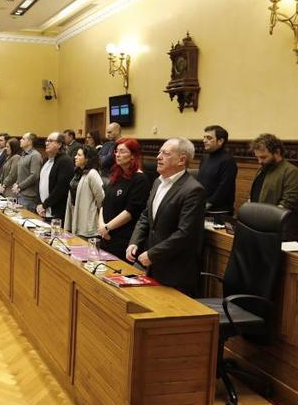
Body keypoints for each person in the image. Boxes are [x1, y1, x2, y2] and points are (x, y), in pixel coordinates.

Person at [126, 138, 205, 297]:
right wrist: (134, 241)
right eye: (159, 152)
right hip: (153, 268)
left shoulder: (193, 190)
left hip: (176, 272)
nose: (158, 157)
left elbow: (185, 234)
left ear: (181, 160)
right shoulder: (157, 182)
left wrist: (152, 254)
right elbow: (145, 216)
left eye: (165, 153)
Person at [96, 138, 149, 258]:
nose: (117, 155)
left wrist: (108, 227)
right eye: (116, 151)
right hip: (105, 236)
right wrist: (102, 227)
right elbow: (104, 203)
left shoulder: (140, 179)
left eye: (122, 151)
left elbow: (131, 211)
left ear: (132, 156)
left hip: (122, 239)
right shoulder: (116, 176)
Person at [249, 133, 298, 239]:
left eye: (263, 157)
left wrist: (263, 220)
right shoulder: (262, 169)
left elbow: (287, 203)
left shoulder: (291, 171)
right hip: (258, 226)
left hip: (277, 231)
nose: (259, 161)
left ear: (277, 152)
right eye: (257, 158)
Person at [64, 144, 104, 238]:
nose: (75, 157)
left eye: (79, 155)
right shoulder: (78, 173)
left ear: (87, 159)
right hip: (75, 215)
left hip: (87, 222)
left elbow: (101, 199)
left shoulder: (92, 174)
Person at [198, 124, 237, 214]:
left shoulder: (228, 160)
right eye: (204, 137)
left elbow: (224, 187)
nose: (204, 141)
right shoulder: (205, 157)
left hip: (219, 211)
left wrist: (208, 203)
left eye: (209, 138)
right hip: (202, 207)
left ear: (220, 141)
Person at [36, 132, 75, 220]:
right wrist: (39, 203)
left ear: (59, 144)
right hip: (42, 210)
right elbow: (39, 182)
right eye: (46, 140)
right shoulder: (46, 160)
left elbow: (61, 188)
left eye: (50, 141)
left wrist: (45, 205)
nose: (46, 143)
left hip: (57, 212)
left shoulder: (65, 161)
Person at [12, 132, 42, 212]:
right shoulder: (24, 154)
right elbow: (22, 172)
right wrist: (17, 183)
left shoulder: (35, 155)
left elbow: (34, 175)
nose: (20, 140)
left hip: (28, 196)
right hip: (20, 194)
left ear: (30, 142)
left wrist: (19, 186)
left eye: (23, 139)